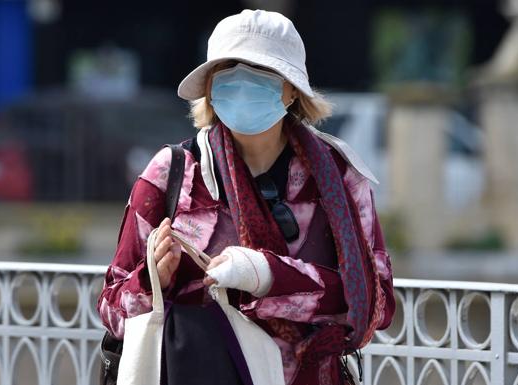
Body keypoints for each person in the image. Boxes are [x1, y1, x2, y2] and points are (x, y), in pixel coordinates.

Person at [97, 9, 395, 385]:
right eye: (228, 71)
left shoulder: (340, 176)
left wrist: (269, 276)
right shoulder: (172, 173)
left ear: (291, 89)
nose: (241, 83)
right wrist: (150, 278)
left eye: (259, 72)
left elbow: (376, 303)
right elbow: (110, 308)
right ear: (209, 88)